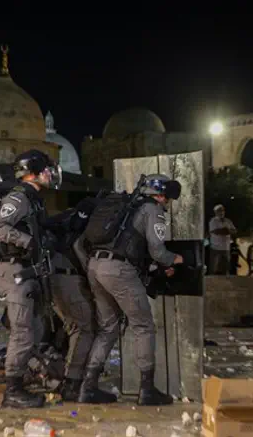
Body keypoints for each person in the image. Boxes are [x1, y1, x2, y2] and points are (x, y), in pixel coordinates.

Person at [82, 174, 184, 406]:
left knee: (108, 328)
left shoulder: (127, 207)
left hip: (95, 265)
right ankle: (147, 390)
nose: (167, 201)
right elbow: (157, 251)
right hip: (118, 270)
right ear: (159, 193)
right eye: (167, 196)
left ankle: (88, 387)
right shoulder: (153, 210)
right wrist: (175, 259)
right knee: (143, 325)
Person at [0, 149, 61, 408]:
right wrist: (27, 241)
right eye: (46, 170)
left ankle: (23, 377)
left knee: (35, 331)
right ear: (34, 172)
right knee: (22, 333)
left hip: (28, 271)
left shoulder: (35, 198)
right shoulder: (19, 198)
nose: (50, 175)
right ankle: (12, 391)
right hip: (15, 271)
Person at [42, 197, 100, 402]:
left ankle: (65, 375)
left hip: (52, 276)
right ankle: (72, 383)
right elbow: (78, 247)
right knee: (83, 328)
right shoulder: (84, 224)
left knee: (72, 327)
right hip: (67, 277)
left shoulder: (65, 220)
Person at [208, 204, 236, 275]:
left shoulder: (228, 221)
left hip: (226, 248)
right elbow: (216, 232)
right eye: (219, 210)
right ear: (215, 212)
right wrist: (227, 230)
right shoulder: (213, 221)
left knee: (225, 268)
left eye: (222, 210)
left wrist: (226, 230)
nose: (221, 212)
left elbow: (234, 231)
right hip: (215, 248)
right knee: (214, 268)